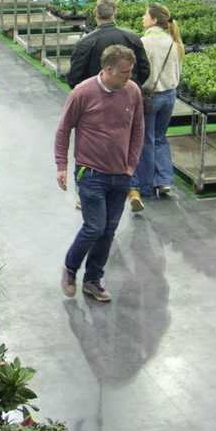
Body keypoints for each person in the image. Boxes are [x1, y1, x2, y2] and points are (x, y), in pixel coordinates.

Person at [55, 45, 145, 303]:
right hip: (90, 172)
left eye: (131, 72)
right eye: (125, 72)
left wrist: (131, 165)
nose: (130, 77)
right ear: (108, 69)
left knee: (109, 230)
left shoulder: (133, 92)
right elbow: (64, 130)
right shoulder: (82, 92)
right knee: (94, 226)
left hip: (121, 175)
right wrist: (61, 164)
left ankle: (92, 279)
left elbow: (138, 130)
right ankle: (70, 268)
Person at [128, 4, 182, 213]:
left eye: (146, 15)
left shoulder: (145, 42)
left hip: (151, 97)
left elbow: (140, 71)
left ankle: (146, 187)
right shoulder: (174, 42)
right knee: (160, 137)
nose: (143, 17)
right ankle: (164, 180)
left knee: (145, 141)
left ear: (154, 21)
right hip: (170, 95)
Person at [67, 0, 150, 87]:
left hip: (97, 98)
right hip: (127, 96)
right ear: (115, 14)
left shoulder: (85, 42)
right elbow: (144, 70)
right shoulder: (133, 37)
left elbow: (74, 78)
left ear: (94, 12)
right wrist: (129, 86)